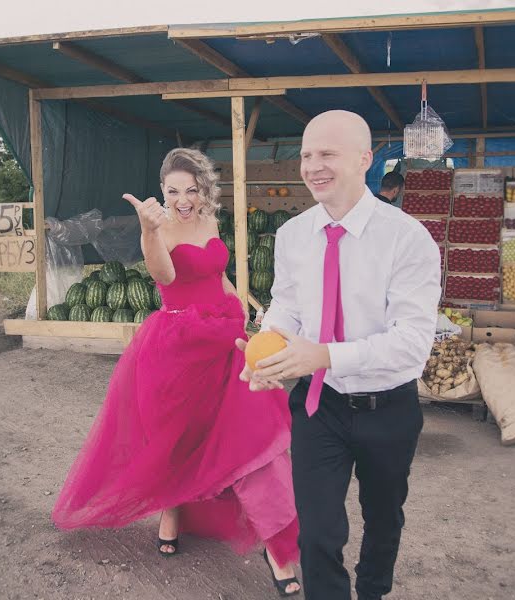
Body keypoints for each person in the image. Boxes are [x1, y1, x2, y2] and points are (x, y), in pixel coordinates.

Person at [52, 148, 301, 597]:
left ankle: (277, 544)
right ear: (162, 192)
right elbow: (165, 275)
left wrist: (248, 303)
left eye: (191, 189)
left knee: (251, 433)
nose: (183, 199)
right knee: (178, 435)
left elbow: (217, 273)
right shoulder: (161, 226)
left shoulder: (210, 221)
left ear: (203, 188)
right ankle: (172, 512)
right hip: (180, 346)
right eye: (173, 191)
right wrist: (149, 231)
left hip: (228, 338)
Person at [238, 110, 441, 600]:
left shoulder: (408, 238)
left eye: (327, 153)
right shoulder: (292, 235)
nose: (313, 166)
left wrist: (325, 355)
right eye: (307, 155)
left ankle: (372, 592)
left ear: (364, 159)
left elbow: (413, 341)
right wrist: (268, 351)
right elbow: (287, 303)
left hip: (388, 408)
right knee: (319, 531)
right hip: (318, 407)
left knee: (383, 518)